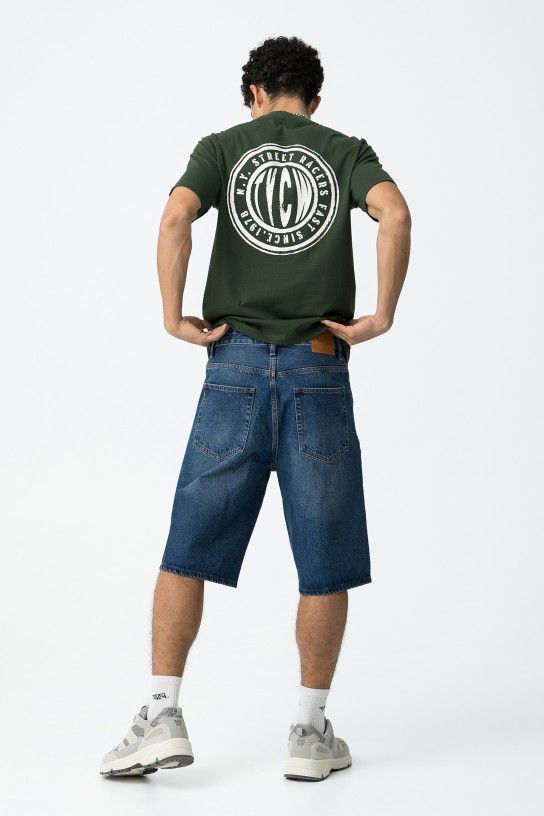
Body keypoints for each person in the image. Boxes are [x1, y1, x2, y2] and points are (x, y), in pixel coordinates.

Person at [100, 35, 411, 782]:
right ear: (315, 99)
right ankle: (308, 732)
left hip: (232, 369)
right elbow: (396, 216)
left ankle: (162, 714)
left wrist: (173, 314)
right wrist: (381, 315)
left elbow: (174, 219)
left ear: (254, 95)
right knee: (325, 558)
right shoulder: (345, 151)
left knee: (189, 546)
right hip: (319, 368)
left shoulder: (222, 147)